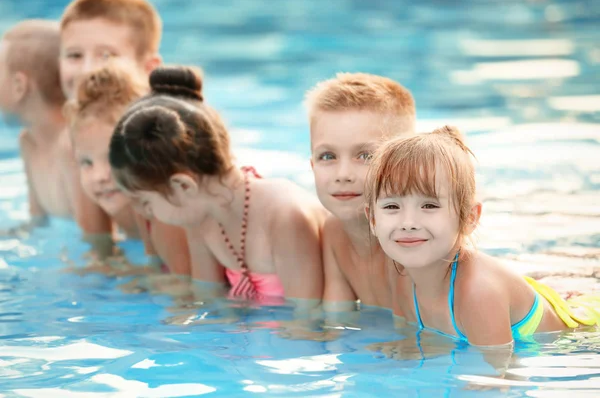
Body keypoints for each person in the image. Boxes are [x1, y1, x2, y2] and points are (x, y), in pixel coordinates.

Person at [108, 66, 327, 308]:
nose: (143, 213)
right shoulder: (202, 219)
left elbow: (307, 322)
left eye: (146, 202)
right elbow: (209, 302)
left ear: (183, 185)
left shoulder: (285, 216)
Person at [365, 125, 600, 347]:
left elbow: (494, 383)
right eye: (391, 207)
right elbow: (408, 349)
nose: (408, 223)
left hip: (582, 335)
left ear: (469, 218)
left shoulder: (479, 292)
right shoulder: (400, 279)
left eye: (429, 205)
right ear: (372, 219)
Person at [65, 61, 190, 283]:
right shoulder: (109, 192)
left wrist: (131, 278)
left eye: (112, 159)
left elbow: (184, 290)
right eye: (86, 162)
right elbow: (100, 251)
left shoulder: (166, 213)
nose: (99, 176)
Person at [58, 0, 163, 255]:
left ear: (150, 69)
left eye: (106, 55)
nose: (87, 69)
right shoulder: (75, 142)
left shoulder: (164, 138)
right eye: (74, 55)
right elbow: (98, 246)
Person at [306, 72, 416, 312]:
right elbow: (337, 320)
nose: (343, 174)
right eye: (328, 156)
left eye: (366, 156)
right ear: (312, 165)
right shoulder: (334, 232)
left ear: (404, 162)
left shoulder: (413, 239)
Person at [0, 20, 71, 232]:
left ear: (19, 86)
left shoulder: (72, 148)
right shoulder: (29, 143)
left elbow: (101, 243)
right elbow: (36, 225)